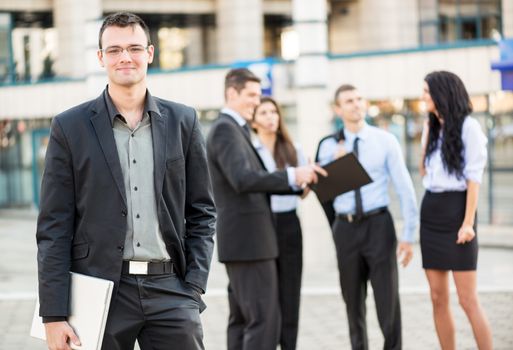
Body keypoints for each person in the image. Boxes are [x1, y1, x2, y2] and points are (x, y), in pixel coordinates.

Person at [36, 12, 216, 350]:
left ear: (150, 53)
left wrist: (193, 285)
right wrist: (54, 313)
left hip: (171, 289)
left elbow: (202, 210)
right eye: (115, 50)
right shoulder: (69, 127)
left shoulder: (184, 121)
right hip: (99, 288)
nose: (125, 57)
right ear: (101, 57)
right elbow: (53, 226)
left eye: (134, 48)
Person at [206, 68, 326, 350]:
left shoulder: (236, 129)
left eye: (258, 96)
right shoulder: (226, 129)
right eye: (250, 95)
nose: (255, 102)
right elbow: (243, 179)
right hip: (249, 243)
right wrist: (291, 175)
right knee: (263, 320)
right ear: (231, 93)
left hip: (247, 242)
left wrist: (299, 181)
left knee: (242, 319)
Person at [316, 84, 418, 350]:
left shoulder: (385, 141)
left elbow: (405, 188)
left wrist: (408, 236)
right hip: (346, 229)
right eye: (348, 101)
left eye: (359, 98)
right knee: (352, 301)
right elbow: (323, 194)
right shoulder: (328, 146)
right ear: (338, 109)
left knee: (388, 301)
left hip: (378, 226)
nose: (356, 104)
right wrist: (337, 169)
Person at [420, 71, 492, 350]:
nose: (423, 96)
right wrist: (429, 131)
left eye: (427, 91)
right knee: (438, 297)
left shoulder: (469, 128)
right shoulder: (431, 127)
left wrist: (468, 222)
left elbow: (474, 178)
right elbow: (424, 171)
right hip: (431, 210)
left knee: (467, 299)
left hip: (457, 211)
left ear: (442, 93)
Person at [252, 96, 307, 350]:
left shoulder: (293, 149)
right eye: (263, 113)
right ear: (253, 121)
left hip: (288, 225)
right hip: (261, 225)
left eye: (273, 112)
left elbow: (304, 191)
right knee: (265, 295)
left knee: (290, 293)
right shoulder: (250, 151)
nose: (270, 117)